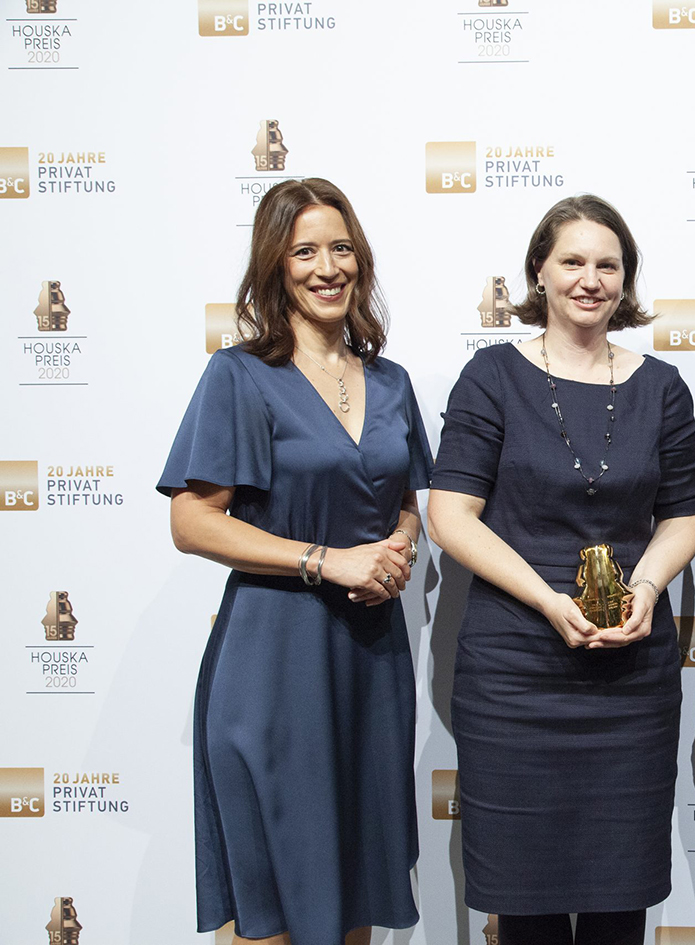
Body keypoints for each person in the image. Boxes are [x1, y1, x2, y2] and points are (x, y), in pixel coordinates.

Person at [159, 178, 432, 945]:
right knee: (272, 902)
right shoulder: (240, 375)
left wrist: (397, 547)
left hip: (369, 663)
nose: (326, 266)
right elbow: (191, 519)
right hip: (272, 662)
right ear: (275, 265)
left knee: (351, 900)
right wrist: (326, 561)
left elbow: (405, 500)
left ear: (361, 259)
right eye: (303, 250)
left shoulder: (391, 381)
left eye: (340, 247)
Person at [427, 194, 695, 945]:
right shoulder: (490, 377)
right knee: (526, 902)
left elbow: (683, 516)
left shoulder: (662, 388)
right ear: (538, 274)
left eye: (607, 264)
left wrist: (646, 586)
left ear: (626, 279)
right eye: (572, 261)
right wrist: (549, 601)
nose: (591, 279)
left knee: (621, 901)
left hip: (630, 677)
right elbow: (450, 515)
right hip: (516, 672)